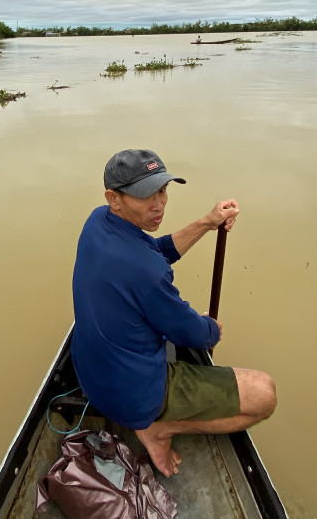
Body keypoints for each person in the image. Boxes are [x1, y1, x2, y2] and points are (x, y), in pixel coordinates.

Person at [71, 149, 277, 478]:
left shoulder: (99, 221)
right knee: (264, 393)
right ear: (115, 198)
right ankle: (158, 429)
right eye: (145, 196)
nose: (159, 205)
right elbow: (190, 334)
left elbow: (158, 252)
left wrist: (208, 223)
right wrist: (211, 328)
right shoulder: (145, 271)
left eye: (162, 191)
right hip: (132, 396)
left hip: (91, 374)